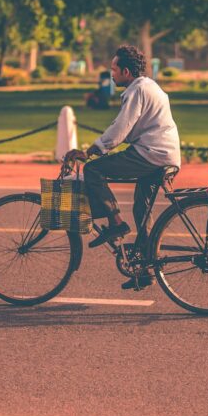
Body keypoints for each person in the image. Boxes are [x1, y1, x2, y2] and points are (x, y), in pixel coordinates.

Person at [64, 45, 181, 290]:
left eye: (114, 70)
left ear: (126, 71)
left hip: (151, 154)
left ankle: (116, 223)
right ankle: (146, 270)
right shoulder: (150, 86)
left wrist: (90, 152)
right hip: (164, 155)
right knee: (142, 210)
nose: (112, 74)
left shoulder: (136, 90)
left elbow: (120, 128)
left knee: (93, 170)